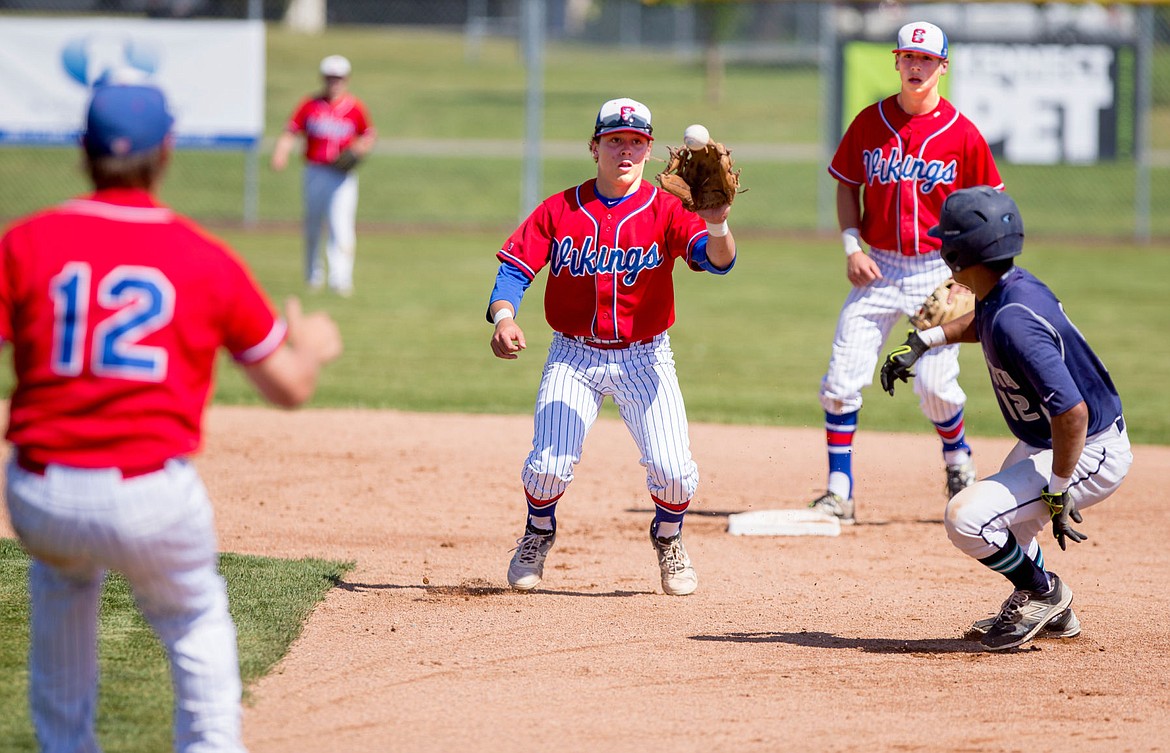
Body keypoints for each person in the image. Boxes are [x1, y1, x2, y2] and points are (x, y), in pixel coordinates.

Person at [1, 81, 343, 751]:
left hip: (42, 491)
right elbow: (289, 388)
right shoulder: (202, 257)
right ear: (167, 152)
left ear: (82, 151)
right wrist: (313, 348)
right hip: (148, 495)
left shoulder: (26, 243)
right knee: (192, 617)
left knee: (62, 581)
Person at [487, 97, 737, 596]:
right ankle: (538, 530)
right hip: (573, 356)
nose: (626, 149)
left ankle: (667, 536)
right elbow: (515, 268)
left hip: (645, 357)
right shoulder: (560, 208)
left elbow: (718, 261)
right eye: (615, 140)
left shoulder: (667, 209)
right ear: (594, 146)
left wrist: (717, 221)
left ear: (648, 150)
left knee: (675, 475)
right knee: (547, 466)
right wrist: (503, 315)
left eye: (637, 141)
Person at [880, 186, 1132, 651]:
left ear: (958, 252)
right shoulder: (1008, 288)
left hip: (1087, 447)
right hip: (1051, 440)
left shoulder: (1015, 317)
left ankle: (1043, 593)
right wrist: (925, 341)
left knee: (968, 519)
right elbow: (982, 322)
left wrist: (1058, 490)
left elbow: (1072, 414)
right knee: (1009, 527)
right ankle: (1053, 610)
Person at [814, 21, 1004, 524]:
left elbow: (994, 205)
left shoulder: (962, 133)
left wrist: (974, 277)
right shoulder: (869, 122)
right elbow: (845, 184)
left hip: (941, 271)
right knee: (841, 379)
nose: (916, 66)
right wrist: (851, 245)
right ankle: (839, 490)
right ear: (897, 62)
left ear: (943, 66)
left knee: (936, 388)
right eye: (908, 57)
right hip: (878, 266)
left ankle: (959, 461)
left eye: (927, 59)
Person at [271, 54, 376, 297]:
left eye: (338, 78)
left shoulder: (354, 108)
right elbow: (291, 131)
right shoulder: (310, 105)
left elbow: (368, 135)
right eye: (330, 77)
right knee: (312, 225)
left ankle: (341, 279)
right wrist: (280, 153)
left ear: (346, 79)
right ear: (323, 78)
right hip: (315, 170)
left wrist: (360, 148)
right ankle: (312, 276)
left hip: (341, 175)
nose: (334, 82)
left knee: (341, 226)